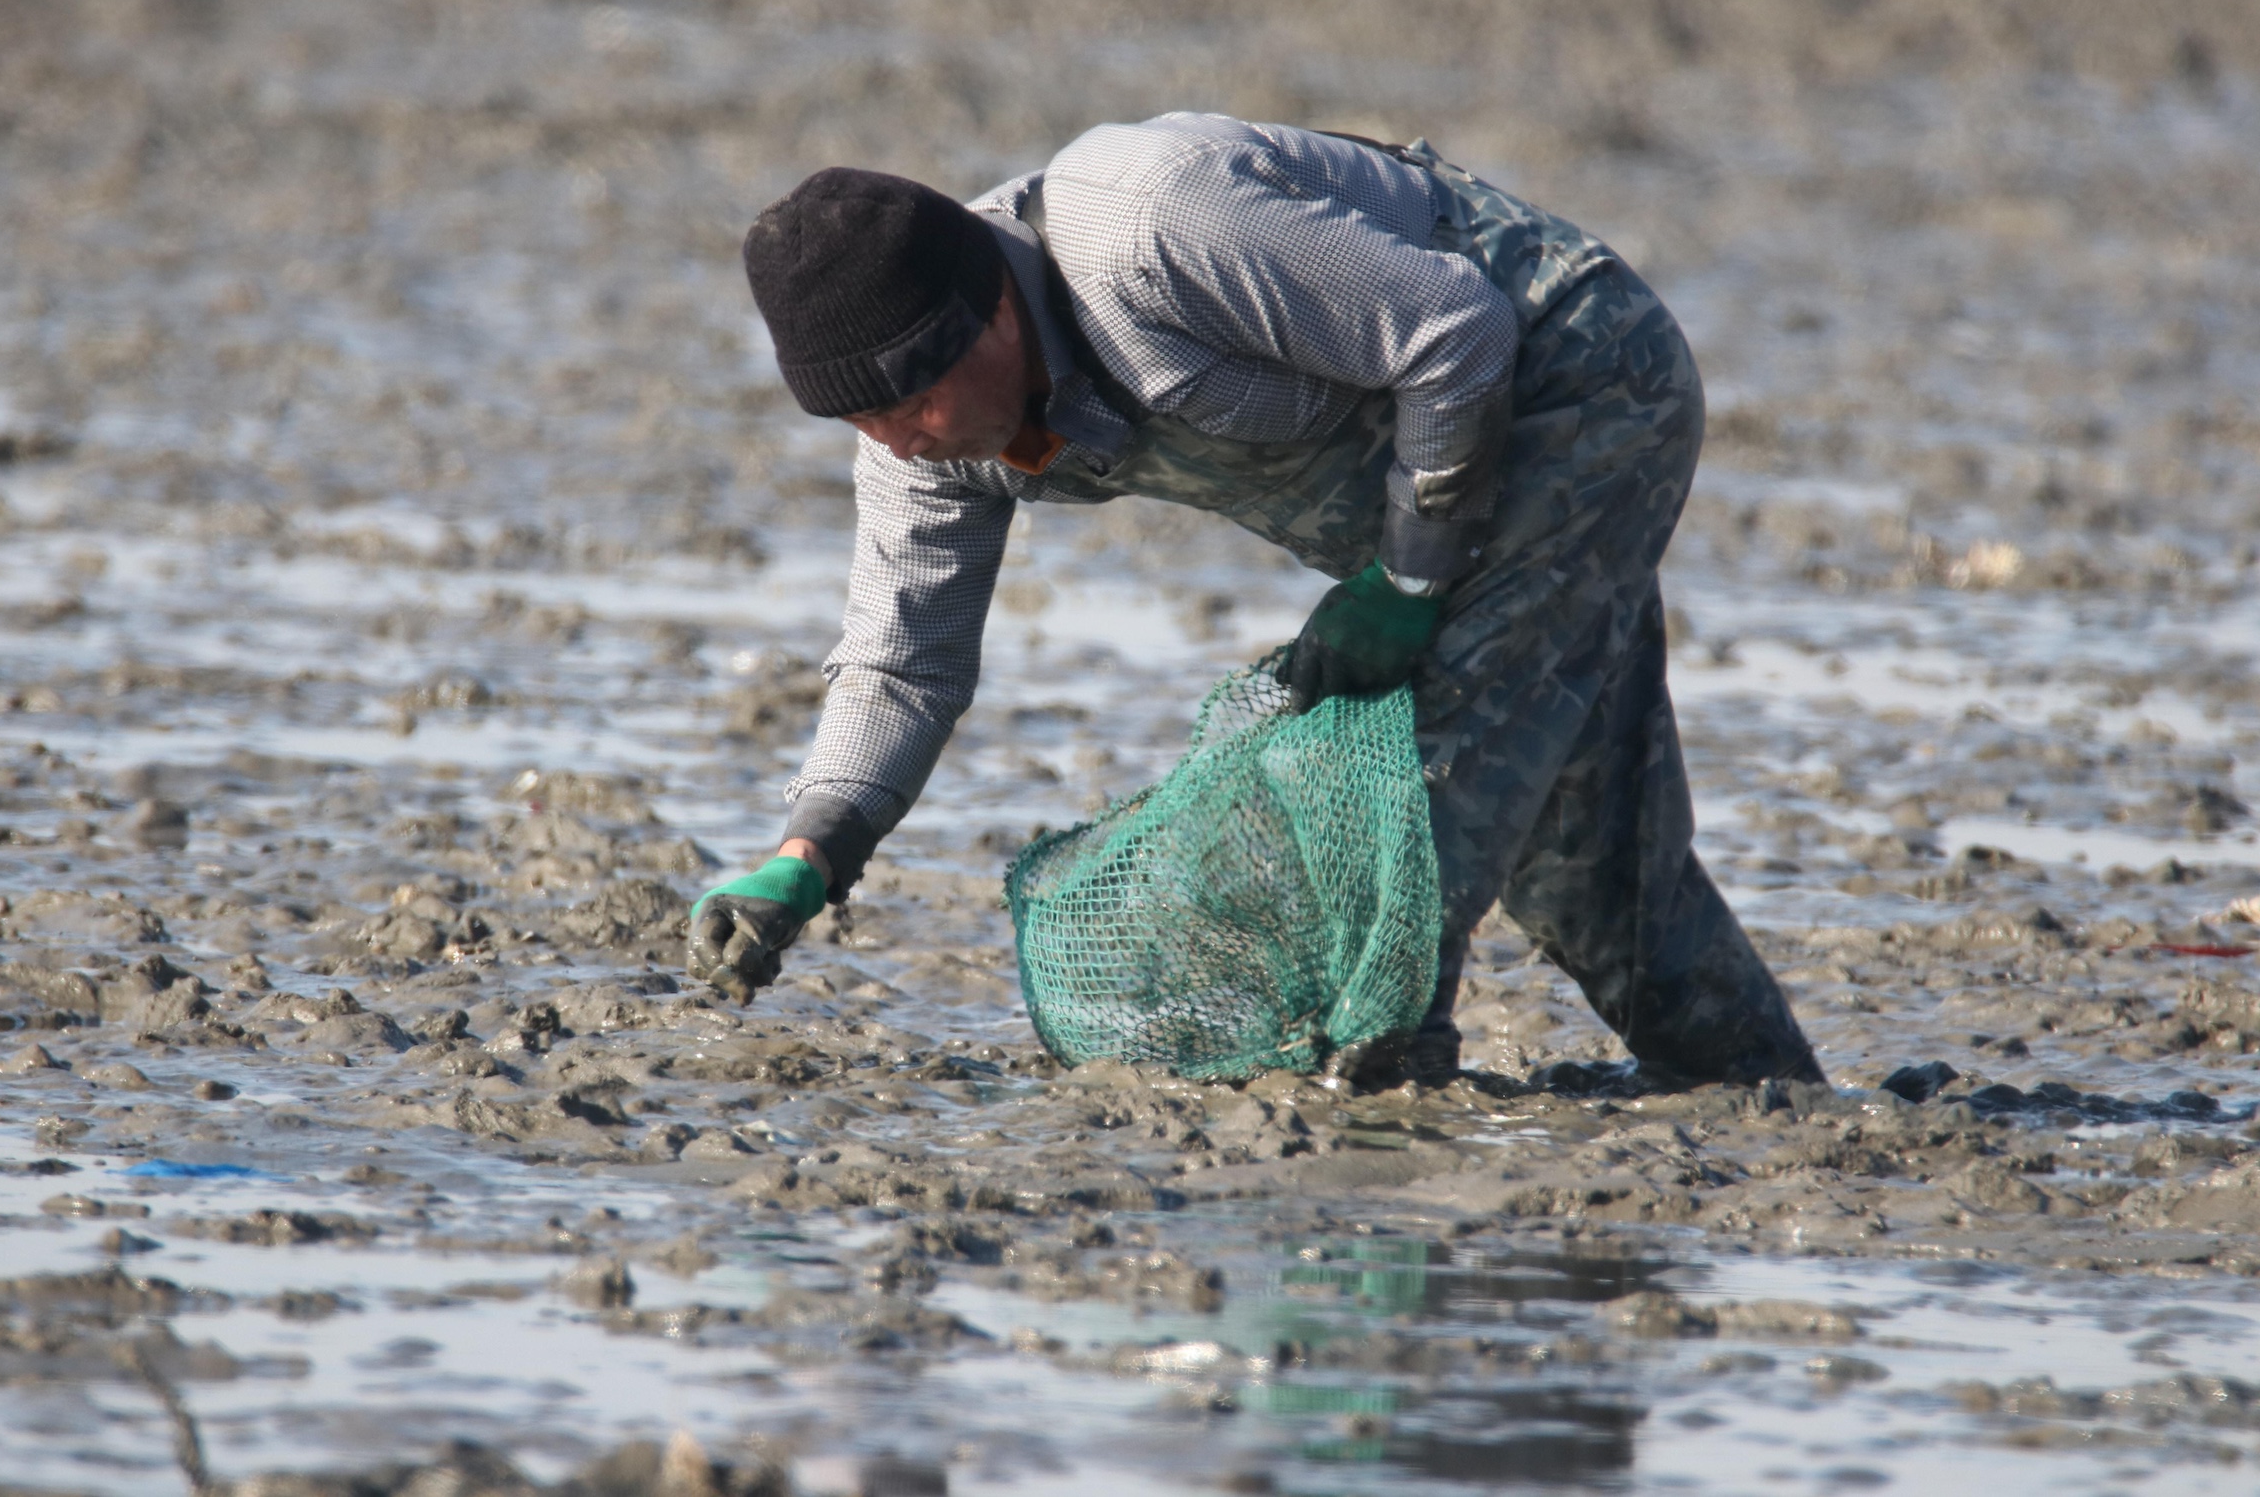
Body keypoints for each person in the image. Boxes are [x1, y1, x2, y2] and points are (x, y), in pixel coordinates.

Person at [688, 112, 1822, 1088]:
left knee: (1413, 802)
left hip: (1572, 386)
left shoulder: (1152, 230)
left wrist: (1409, 577)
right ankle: (1767, 1109)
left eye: (914, 405)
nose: (899, 444)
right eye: (863, 425)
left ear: (989, 312)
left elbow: (1455, 332)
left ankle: (1375, 1135)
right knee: (1589, 855)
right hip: (1432, 488)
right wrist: (810, 852)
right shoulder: (917, 445)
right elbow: (904, 663)